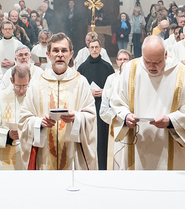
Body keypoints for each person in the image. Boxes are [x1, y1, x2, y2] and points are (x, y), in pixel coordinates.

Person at [111, 35, 185, 170]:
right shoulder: (130, 70)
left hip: (170, 145)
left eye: (157, 62)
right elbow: (117, 101)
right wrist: (126, 116)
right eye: (147, 61)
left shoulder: (181, 73)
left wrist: (171, 120)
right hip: (137, 143)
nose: (152, 66)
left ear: (165, 55)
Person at [19, 33, 97, 170]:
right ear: (48, 54)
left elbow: (91, 117)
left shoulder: (81, 82)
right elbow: (24, 119)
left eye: (64, 50)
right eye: (55, 50)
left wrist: (76, 118)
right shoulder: (37, 84)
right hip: (44, 157)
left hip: (73, 154)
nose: (60, 54)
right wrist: (39, 122)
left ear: (71, 54)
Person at [77, 35, 115, 171]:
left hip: (103, 107)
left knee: (102, 139)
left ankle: (102, 168)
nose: (94, 50)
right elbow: (78, 88)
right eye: (91, 47)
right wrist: (89, 92)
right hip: (88, 107)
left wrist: (105, 91)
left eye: (96, 47)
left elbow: (113, 86)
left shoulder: (108, 67)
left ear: (100, 49)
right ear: (88, 49)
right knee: (89, 137)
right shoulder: (82, 68)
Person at [0, 65, 31, 170]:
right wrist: (8, 135)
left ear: (30, 80)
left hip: (27, 151)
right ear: (11, 80)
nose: (22, 90)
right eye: (18, 86)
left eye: (25, 86)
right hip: (5, 151)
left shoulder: (33, 98)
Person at [99, 50, 130, 169]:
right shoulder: (111, 79)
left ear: (130, 61)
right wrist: (117, 118)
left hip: (132, 125)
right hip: (116, 126)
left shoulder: (136, 78)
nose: (123, 62)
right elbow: (104, 108)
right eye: (120, 59)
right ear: (116, 61)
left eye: (125, 59)